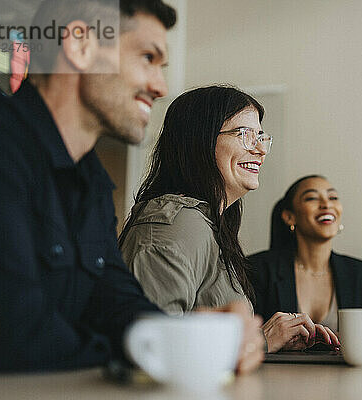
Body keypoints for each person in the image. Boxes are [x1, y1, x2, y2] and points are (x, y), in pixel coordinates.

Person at [0, 0, 263, 373]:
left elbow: (117, 305)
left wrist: (194, 334)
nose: (160, 86)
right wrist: (165, 345)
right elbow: (8, 332)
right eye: (147, 58)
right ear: (79, 46)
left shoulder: (90, 181)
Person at [119, 86, 340, 353]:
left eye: (261, 137)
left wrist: (263, 338)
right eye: (245, 135)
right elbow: (150, 347)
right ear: (200, 140)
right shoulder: (178, 223)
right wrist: (262, 341)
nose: (261, 150)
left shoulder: (207, 223)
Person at [249, 175, 362, 353]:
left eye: (333, 197)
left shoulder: (358, 272)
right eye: (312, 198)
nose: (326, 204)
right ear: (290, 217)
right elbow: (245, 335)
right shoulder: (257, 268)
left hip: (344, 381)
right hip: (275, 379)